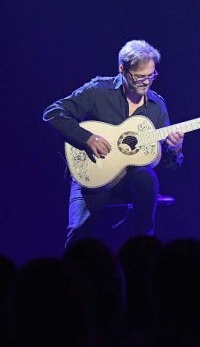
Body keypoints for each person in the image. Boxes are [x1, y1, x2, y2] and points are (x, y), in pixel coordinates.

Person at [43, 40, 184, 248]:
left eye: (151, 75)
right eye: (140, 76)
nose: (146, 82)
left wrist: (175, 149)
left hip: (131, 181)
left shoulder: (156, 105)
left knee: (147, 178)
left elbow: (170, 164)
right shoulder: (98, 90)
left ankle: (143, 248)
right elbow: (52, 114)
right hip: (94, 174)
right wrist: (87, 138)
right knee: (79, 233)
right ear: (122, 70)